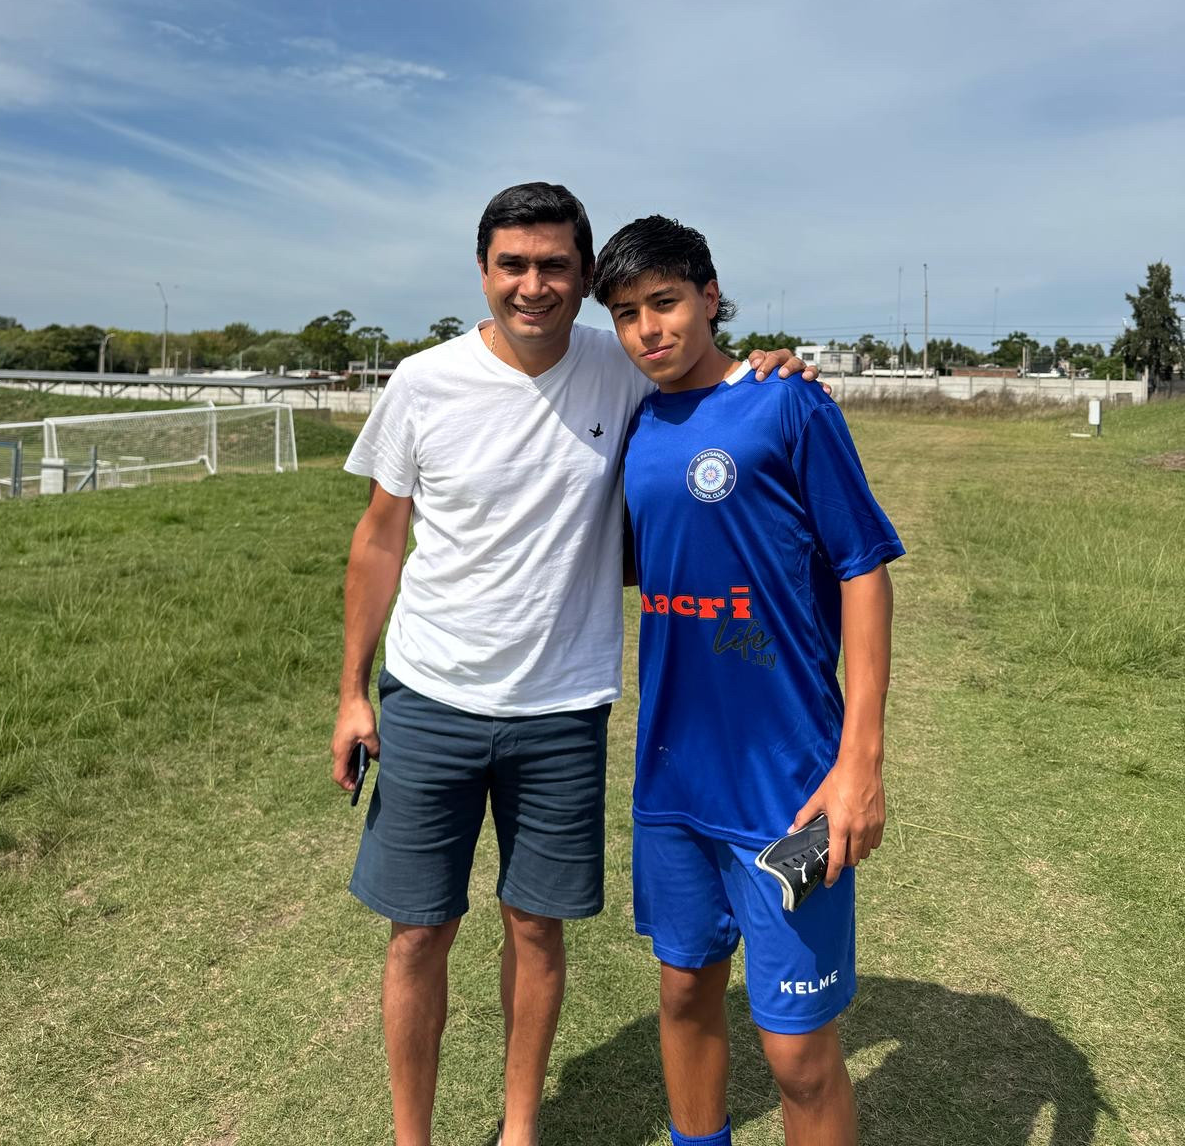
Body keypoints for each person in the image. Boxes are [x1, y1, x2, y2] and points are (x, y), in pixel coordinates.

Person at [329, 183, 815, 1146]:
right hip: (430, 694)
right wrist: (351, 692)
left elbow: (709, 385)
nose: (533, 285)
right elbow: (380, 540)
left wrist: (778, 368)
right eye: (512, 264)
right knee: (419, 931)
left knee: (535, 926)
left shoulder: (619, 365)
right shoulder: (423, 381)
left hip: (562, 708)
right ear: (482, 271)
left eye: (554, 265)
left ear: (584, 276)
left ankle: (520, 1132)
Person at [592, 214, 904, 1146]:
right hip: (674, 782)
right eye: (626, 314)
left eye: (665, 302)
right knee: (685, 995)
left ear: (710, 295)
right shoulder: (639, 425)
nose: (648, 329)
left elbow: (863, 570)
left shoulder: (787, 404)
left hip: (787, 786)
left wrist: (860, 762)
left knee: (797, 1053)